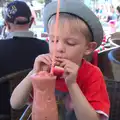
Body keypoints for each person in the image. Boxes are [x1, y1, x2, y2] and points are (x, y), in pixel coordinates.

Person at [10, 1, 110, 120]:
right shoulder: (44, 70)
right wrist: (33, 73)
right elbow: (15, 104)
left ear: (88, 48)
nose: (59, 48)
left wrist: (72, 84)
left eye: (70, 43)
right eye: (53, 40)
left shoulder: (92, 75)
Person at [0, 1, 49, 117]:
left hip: (4, 112)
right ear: (32, 21)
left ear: (6, 24)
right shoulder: (44, 46)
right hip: (36, 111)